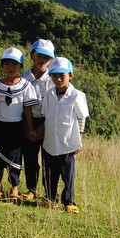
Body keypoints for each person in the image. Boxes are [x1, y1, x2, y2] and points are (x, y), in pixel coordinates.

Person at [0, 47, 38, 200]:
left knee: (15, 159)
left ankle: (14, 188)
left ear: (21, 67)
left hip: (16, 127)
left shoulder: (26, 86)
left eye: (14, 64)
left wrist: (30, 129)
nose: (10, 68)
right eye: (7, 64)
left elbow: (27, 109)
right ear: (2, 66)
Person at [39, 57, 89, 213]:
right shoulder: (48, 94)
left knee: (68, 175)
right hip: (49, 142)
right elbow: (45, 115)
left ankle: (69, 201)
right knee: (49, 173)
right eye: (54, 75)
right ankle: (49, 198)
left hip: (67, 143)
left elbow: (81, 118)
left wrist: (79, 139)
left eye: (62, 75)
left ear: (70, 75)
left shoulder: (77, 95)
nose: (58, 79)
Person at [20, 39, 55, 200]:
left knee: (48, 158)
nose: (42, 60)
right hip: (28, 121)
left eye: (46, 58)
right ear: (31, 55)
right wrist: (28, 128)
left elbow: (54, 107)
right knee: (30, 157)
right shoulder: (23, 79)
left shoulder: (54, 81)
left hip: (48, 122)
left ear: (51, 61)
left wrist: (44, 127)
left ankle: (48, 191)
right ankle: (31, 189)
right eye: (39, 55)